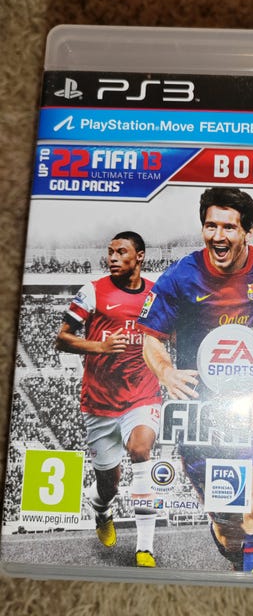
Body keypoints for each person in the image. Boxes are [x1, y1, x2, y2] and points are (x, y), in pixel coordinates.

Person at [138, 186, 253, 573]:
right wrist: (166, 371)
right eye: (210, 226)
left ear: (248, 231)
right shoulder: (179, 278)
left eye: (228, 227)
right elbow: (151, 338)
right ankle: (233, 548)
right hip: (203, 413)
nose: (217, 236)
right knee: (229, 525)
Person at [56, 231, 162, 568]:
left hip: (142, 394)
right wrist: (100, 346)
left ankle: (145, 548)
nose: (113, 257)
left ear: (140, 256)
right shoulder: (92, 291)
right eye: (110, 252)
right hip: (100, 401)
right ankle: (101, 509)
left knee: (141, 451)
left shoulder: (156, 294)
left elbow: (168, 334)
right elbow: (62, 338)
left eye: (121, 252)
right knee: (109, 485)